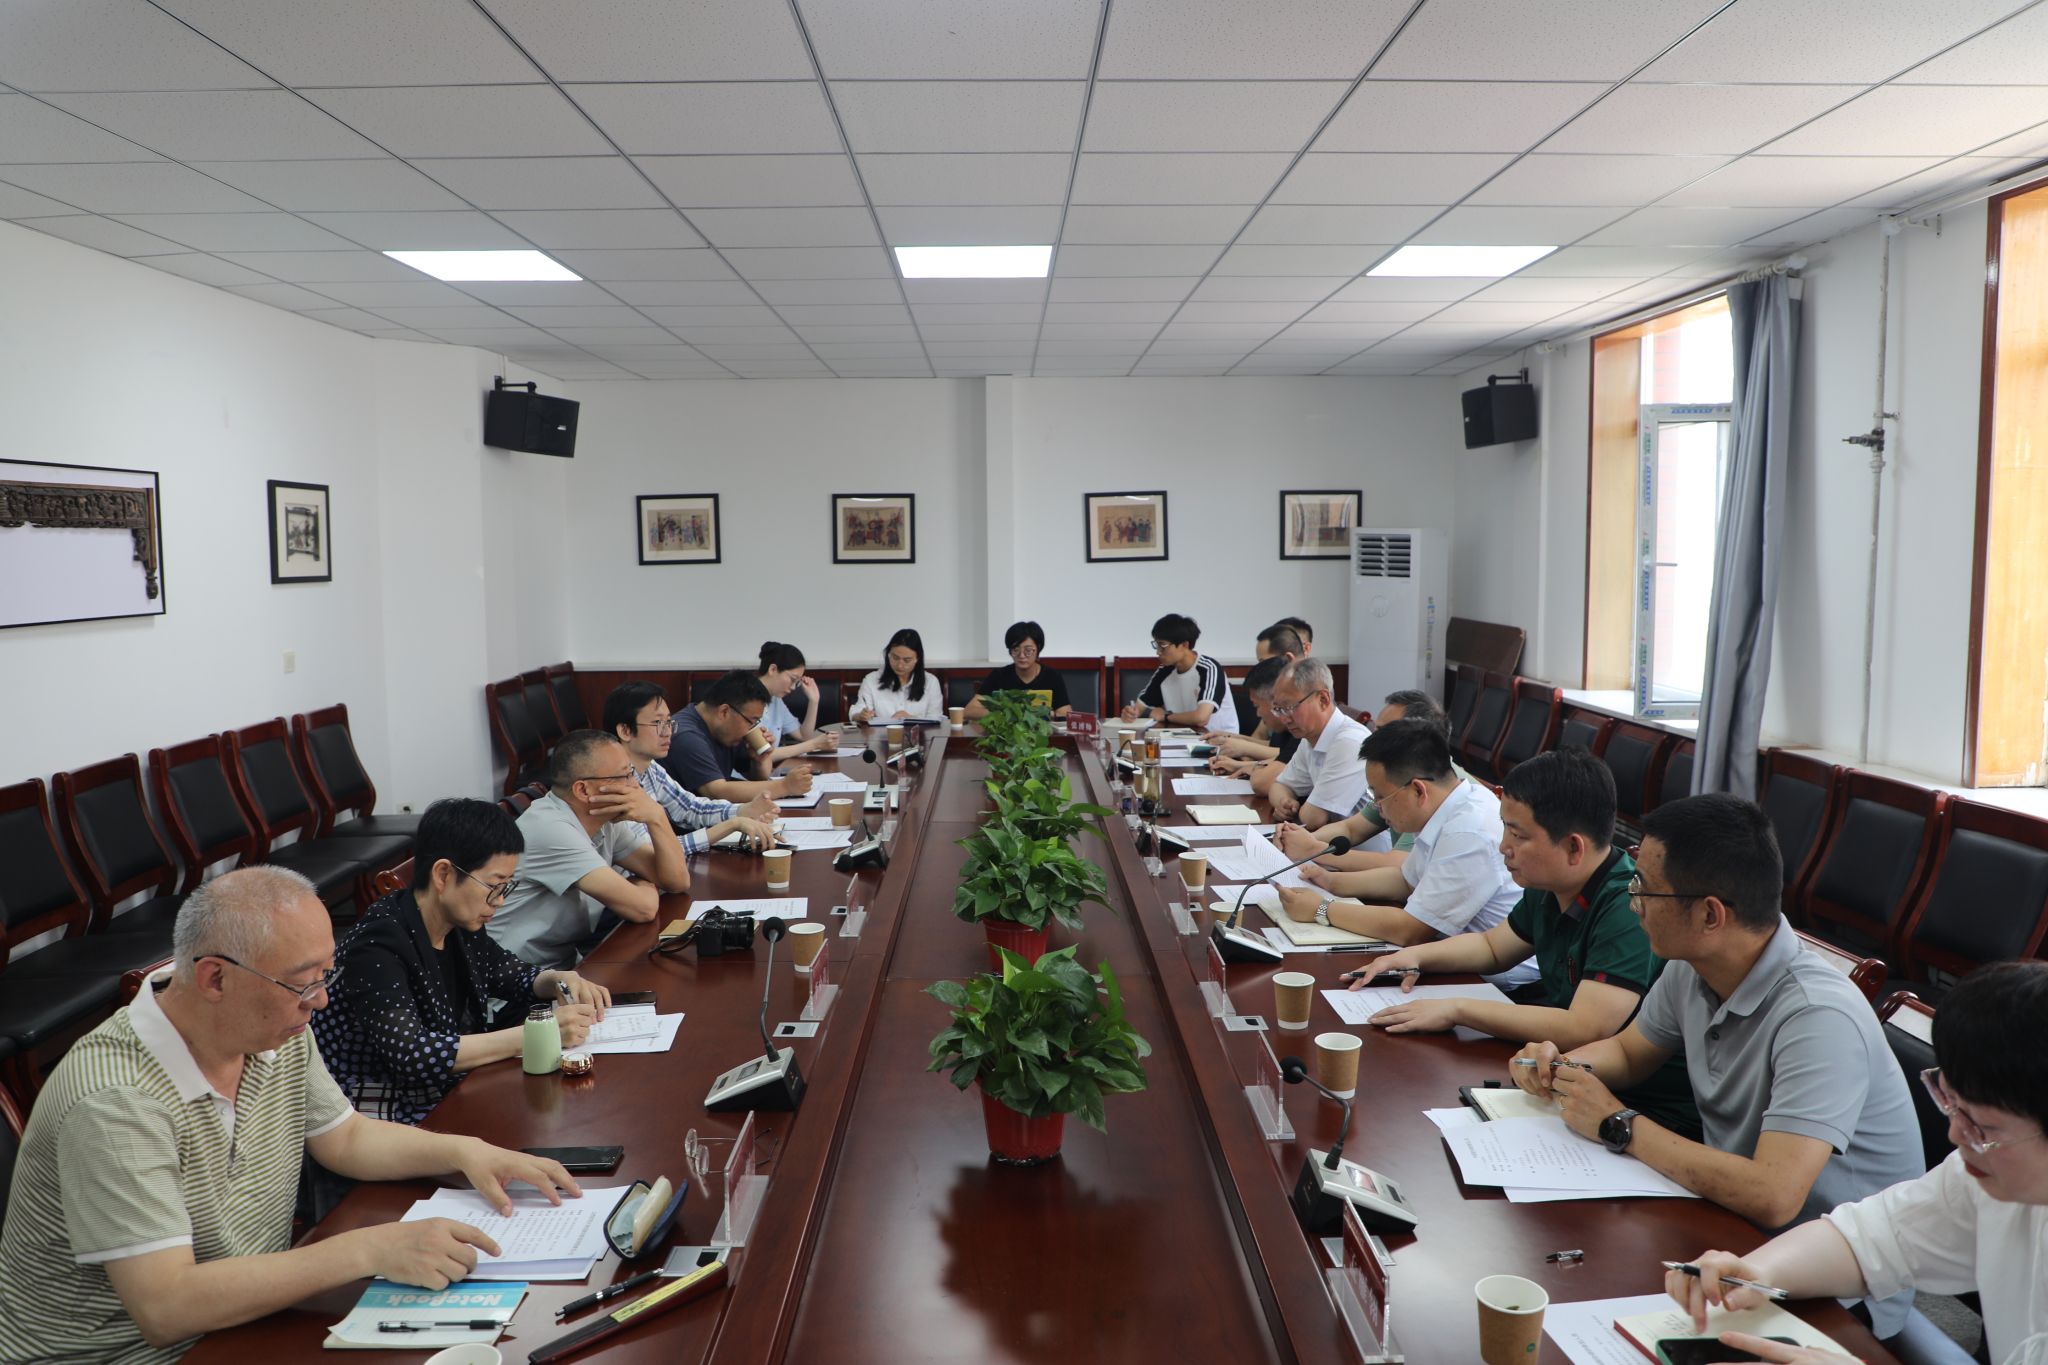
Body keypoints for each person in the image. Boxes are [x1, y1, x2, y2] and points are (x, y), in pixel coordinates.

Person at [0, 866, 579, 1363]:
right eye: (304, 984)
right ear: (215, 977)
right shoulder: (116, 1099)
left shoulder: (271, 1030)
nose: (320, 1001)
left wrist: (466, 1151)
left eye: (325, 976)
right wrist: (369, 1249)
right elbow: (166, 1306)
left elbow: (345, 1138)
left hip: (248, 1316)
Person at [1512, 794, 1921, 1338]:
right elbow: (1630, 1052)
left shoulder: (1818, 1016)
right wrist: (1560, 1066)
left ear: (1710, 914)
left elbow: (1774, 1195)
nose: (1633, 904)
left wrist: (1617, 1124)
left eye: (1644, 889)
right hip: (1728, 1233)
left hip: (1833, 1289)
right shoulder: (1694, 966)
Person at [1663, 960, 2048, 1365]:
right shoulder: (1985, 1174)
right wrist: (1758, 1272)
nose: (1955, 1134)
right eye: (1950, 1102)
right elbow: (1871, 1238)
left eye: (1982, 1127)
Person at [1358, 749, 1699, 1139]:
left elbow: (1586, 1026)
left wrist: (1456, 1009)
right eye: (1505, 829)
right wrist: (1413, 956)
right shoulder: (1550, 885)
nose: (1504, 846)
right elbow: (1493, 947)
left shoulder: (1625, 905)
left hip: (1649, 1108)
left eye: (1518, 835)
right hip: (1578, 1080)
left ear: (1574, 848)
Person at [313, 799, 613, 1126]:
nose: (500, 901)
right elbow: (412, 1054)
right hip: (380, 1111)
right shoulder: (376, 945)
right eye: (493, 886)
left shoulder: (456, 922)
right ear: (443, 874)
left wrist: (556, 980)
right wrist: (539, 1034)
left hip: (443, 1090)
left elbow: (507, 973)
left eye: (506, 887)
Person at [1273, 718, 1521, 951]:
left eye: (1380, 796)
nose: (1377, 806)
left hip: (1486, 977)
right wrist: (1330, 881)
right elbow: (1405, 880)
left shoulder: (1469, 831)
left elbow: (1410, 929)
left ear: (1418, 791)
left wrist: (1322, 909)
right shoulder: (1446, 807)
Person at [487, 729, 691, 969]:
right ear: (583, 790)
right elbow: (643, 909)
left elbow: (677, 881)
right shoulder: (550, 829)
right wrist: (645, 881)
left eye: (632, 773)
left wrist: (657, 817)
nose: (635, 786)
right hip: (516, 979)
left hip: (565, 966)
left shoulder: (605, 819)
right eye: (625, 776)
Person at [1277, 689, 1471, 872]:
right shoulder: (1396, 776)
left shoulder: (1432, 784)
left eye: (1385, 732)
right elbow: (1351, 829)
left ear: (1417, 736)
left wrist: (1312, 850)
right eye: (1376, 730)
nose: (1373, 739)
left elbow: (1397, 865)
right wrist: (1297, 839)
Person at [604, 680, 783, 851]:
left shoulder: (650, 769)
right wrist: (732, 824)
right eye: (658, 723)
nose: (667, 732)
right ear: (625, 731)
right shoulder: (614, 783)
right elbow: (651, 853)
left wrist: (744, 810)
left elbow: (690, 808)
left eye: (668, 722)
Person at [664, 670, 816, 805]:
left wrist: (759, 760)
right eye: (751, 721)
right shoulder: (686, 736)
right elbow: (717, 792)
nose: (752, 728)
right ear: (724, 711)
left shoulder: (726, 728)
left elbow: (757, 779)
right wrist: (785, 786)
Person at [1264, 657, 1369, 829]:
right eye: (1278, 709)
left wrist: (1299, 808)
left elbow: (1313, 818)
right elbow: (1279, 786)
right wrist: (1284, 802)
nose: (1284, 719)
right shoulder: (1310, 738)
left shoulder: (1349, 742)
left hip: (1363, 845)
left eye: (1290, 707)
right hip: (1329, 840)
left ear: (1323, 699)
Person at [1123, 612, 1238, 734]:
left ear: (1184, 645)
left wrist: (1165, 716)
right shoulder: (1165, 670)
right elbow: (1139, 707)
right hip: (1183, 736)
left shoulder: (1209, 668)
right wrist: (1130, 713)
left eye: (1163, 646)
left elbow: (1201, 718)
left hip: (1219, 739)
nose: (1158, 652)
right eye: (1156, 645)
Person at [1207, 656, 1295, 782]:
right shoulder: (1283, 727)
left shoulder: (1300, 726)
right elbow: (1279, 750)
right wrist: (1233, 738)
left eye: (1257, 706)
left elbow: (1288, 757)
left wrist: (1243, 752)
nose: (1258, 714)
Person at [966, 620, 1072, 718]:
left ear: (1038, 649)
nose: (1021, 655)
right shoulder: (999, 675)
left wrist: (1042, 714)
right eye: (1015, 649)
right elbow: (969, 710)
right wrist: (1005, 714)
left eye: (1028, 650)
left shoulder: (1052, 676)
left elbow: (1065, 713)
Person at [756, 641, 837, 760]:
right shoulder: (746, 699)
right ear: (773, 669)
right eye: (792, 679)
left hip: (770, 769)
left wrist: (814, 701)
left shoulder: (776, 700)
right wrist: (814, 745)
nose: (793, 687)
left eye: (797, 682)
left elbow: (803, 736)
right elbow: (763, 754)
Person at [852, 628, 944, 724]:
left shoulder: (931, 682)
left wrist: (910, 719)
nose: (900, 665)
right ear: (888, 654)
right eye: (895, 658)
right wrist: (860, 716)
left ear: (917, 659)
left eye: (907, 660)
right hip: (881, 734)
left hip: (919, 734)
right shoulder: (871, 680)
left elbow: (935, 719)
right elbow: (858, 710)